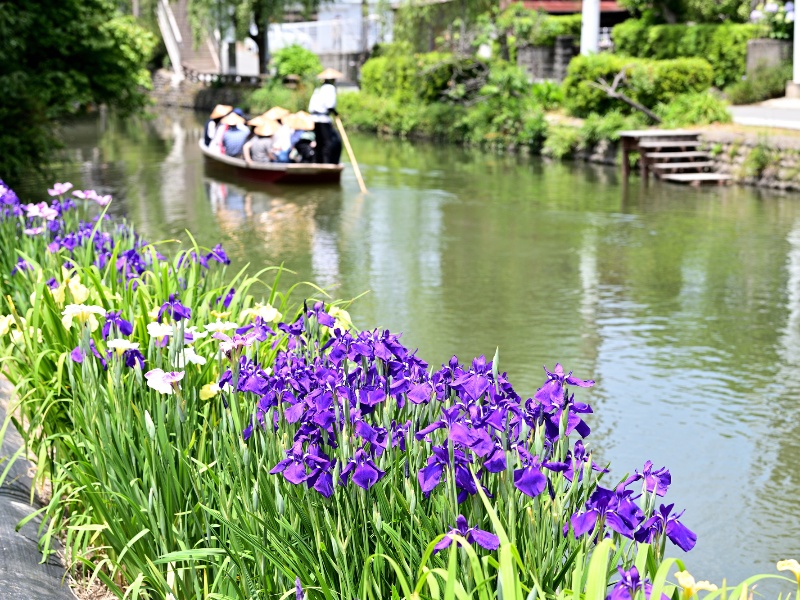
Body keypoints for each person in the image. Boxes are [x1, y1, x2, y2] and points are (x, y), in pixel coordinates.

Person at [308, 68, 343, 164]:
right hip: (323, 119)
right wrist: (335, 112)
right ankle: (326, 162)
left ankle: (318, 161)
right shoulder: (330, 88)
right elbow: (330, 105)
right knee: (327, 142)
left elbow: (311, 106)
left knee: (319, 141)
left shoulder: (318, 89)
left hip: (315, 119)